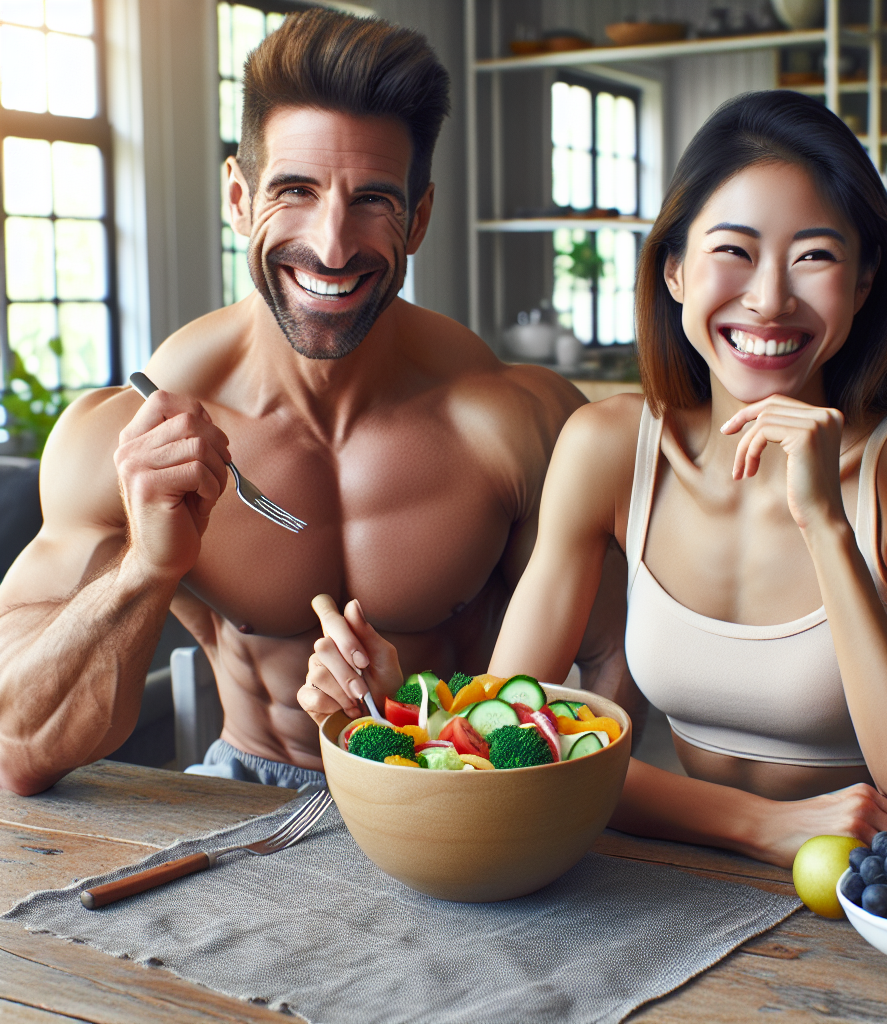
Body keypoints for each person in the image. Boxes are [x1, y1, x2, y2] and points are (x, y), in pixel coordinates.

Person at [303, 91, 887, 868]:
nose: (769, 298)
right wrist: (760, 824)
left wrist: (827, 526)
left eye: (815, 257)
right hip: (696, 875)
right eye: (733, 251)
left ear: (863, 284)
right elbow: (509, 745)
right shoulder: (610, 445)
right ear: (673, 270)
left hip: (876, 893)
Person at [0, 9, 635, 797]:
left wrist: (490, 784)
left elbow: (613, 664)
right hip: (245, 796)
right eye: (294, 191)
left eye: (372, 199)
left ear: (420, 218)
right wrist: (146, 570)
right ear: (238, 196)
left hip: (455, 795)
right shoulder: (130, 437)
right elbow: (18, 747)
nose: (332, 246)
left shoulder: (517, 422)